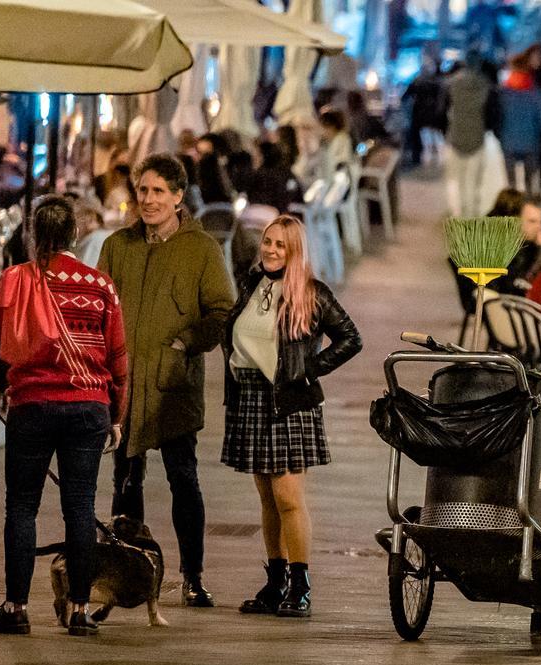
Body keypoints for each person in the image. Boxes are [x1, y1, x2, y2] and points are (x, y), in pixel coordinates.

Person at [0, 195, 128, 637]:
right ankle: (79, 610)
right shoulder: (101, 287)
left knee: (21, 506)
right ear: (74, 236)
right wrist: (117, 417)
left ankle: (16, 607)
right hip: (88, 407)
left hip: (32, 405)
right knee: (80, 507)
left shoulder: (15, 280)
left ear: (33, 235)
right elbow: (119, 359)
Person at [97, 154, 235, 607]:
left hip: (173, 385)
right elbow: (101, 307)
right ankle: (130, 571)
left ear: (178, 196)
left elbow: (220, 312)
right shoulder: (119, 246)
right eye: (143, 191)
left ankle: (192, 574)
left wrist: (185, 344)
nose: (149, 200)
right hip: (127, 386)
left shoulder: (202, 250)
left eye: (159, 191)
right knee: (125, 478)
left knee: (183, 478)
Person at [224, 215, 361, 618]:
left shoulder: (312, 293)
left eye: (280, 245)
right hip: (250, 396)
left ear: (295, 251)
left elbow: (351, 338)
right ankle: (276, 581)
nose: (269, 249)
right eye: (267, 242)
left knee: (288, 499)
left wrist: (309, 369)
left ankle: (300, 585)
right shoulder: (252, 285)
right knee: (267, 498)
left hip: (289, 401)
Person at [445, 51, 494, 218]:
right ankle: (472, 212)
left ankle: (458, 213)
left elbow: (443, 109)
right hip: (477, 136)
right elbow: (490, 112)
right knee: (474, 180)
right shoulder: (484, 84)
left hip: (456, 135)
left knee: (456, 180)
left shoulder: (452, 83)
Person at [498, 56, 541, 196]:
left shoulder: (504, 91)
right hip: (531, 142)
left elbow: (497, 116)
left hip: (508, 142)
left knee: (511, 183)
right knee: (529, 182)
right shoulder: (534, 92)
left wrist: (501, 134)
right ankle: (528, 206)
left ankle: (513, 208)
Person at [403, 56, 448, 167]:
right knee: (435, 136)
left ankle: (417, 158)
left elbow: (405, 97)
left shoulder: (417, 81)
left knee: (417, 137)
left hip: (419, 113)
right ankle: (437, 157)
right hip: (434, 114)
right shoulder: (438, 83)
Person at [246, 141, 303, 215]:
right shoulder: (287, 173)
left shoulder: (261, 175)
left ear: (263, 156)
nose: (254, 158)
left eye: (257, 154)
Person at [71, 193, 111, 268]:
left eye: (78, 216)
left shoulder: (98, 238)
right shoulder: (89, 239)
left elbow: (88, 273)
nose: (74, 223)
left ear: (90, 217)